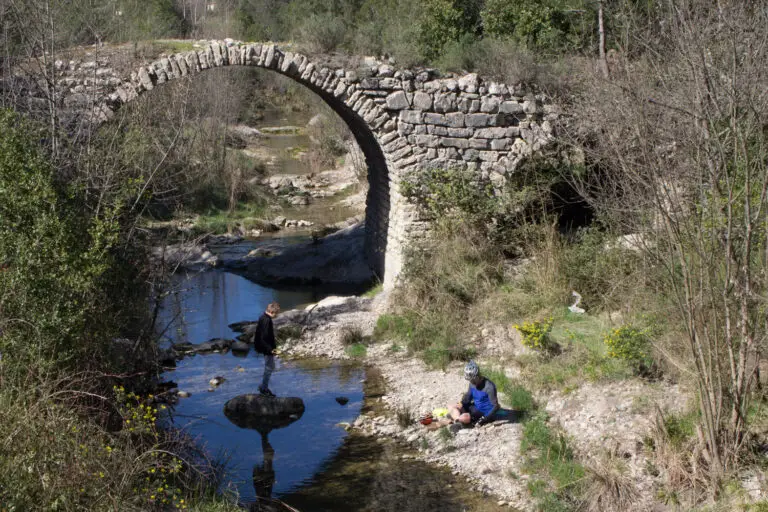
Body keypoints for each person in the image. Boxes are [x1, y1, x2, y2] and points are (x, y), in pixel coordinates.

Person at [448, 360, 500, 428]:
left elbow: (496, 406)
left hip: (484, 413)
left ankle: (458, 419)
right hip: (474, 408)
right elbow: (468, 397)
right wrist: (461, 404)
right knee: (450, 405)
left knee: (463, 417)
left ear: (478, 375)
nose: (472, 382)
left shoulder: (489, 387)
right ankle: (458, 419)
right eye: (470, 380)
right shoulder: (472, 383)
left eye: (473, 380)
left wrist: (484, 419)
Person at [253, 302, 280, 397]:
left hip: (264, 346)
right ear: (272, 312)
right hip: (266, 347)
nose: (276, 315)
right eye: (276, 313)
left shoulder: (262, 317)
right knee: (269, 367)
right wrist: (270, 349)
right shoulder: (267, 320)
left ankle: (263, 386)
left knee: (270, 367)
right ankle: (264, 388)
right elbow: (264, 337)